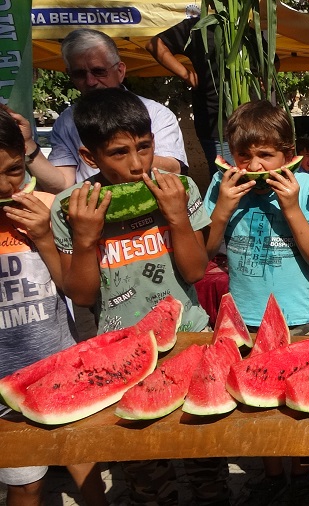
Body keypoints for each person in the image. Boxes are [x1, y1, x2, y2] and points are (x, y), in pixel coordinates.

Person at [49, 87, 228, 506]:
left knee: (207, 462)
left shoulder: (180, 188)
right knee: (145, 471)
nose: (136, 164)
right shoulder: (68, 207)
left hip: (189, 334)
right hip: (121, 351)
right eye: (118, 153)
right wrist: (85, 237)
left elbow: (196, 270)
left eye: (144, 147)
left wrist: (177, 216)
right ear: (90, 157)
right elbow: (81, 292)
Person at [203, 99, 309, 506]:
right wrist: (221, 210)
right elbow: (202, 252)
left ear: (288, 156)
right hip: (246, 320)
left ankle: (303, 472)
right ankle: (272, 473)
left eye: (266, 155)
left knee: (300, 395)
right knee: (257, 400)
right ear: (231, 156)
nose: (255, 166)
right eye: (244, 156)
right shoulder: (221, 189)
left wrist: (290, 207)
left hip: (297, 319)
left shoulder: (306, 186)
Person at [0, 108, 109, 506]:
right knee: (25, 483)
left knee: (86, 465)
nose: (7, 186)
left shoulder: (45, 207)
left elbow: (72, 287)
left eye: (14, 170)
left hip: (61, 363)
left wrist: (44, 234)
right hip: (3, 381)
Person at [29, 29, 188, 193]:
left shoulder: (155, 113)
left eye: (99, 71)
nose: (90, 81)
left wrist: (116, 158)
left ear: (120, 71)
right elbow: (63, 183)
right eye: (79, 74)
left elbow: (173, 168)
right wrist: (28, 146)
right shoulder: (67, 121)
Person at [146, 14, 233, 176]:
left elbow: (272, 60)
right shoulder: (198, 27)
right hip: (217, 125)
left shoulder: (246, 29)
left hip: (253, 124)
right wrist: (186, 75)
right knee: (225, 181)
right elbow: (154, 44)